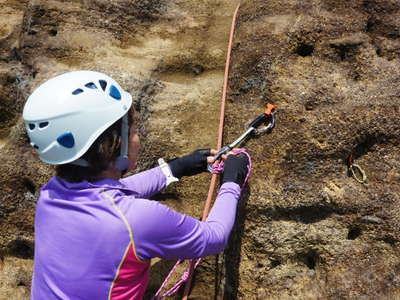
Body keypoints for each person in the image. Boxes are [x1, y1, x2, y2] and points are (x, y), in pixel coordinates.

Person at [23, 71, 250, 300]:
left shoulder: (50, 195)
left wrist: (172, 169)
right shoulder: (139, 220)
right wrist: (231, 182)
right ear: (114, 144)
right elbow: (213, 237)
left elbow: (109, 196)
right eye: (133, 131)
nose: (137, 138)